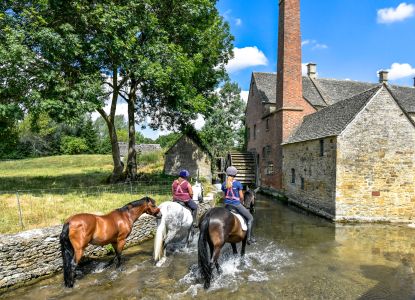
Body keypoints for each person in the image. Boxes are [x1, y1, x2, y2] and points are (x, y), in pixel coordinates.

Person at [222, 166, 256, 244]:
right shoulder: (237, 184)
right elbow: (241, 197)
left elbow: (224, 196)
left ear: (227, 174)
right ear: (235, 174)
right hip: (236, 205)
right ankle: (249, 238)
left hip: (227, 205)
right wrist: (242, 203)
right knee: (250, 218)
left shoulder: (224, 184)